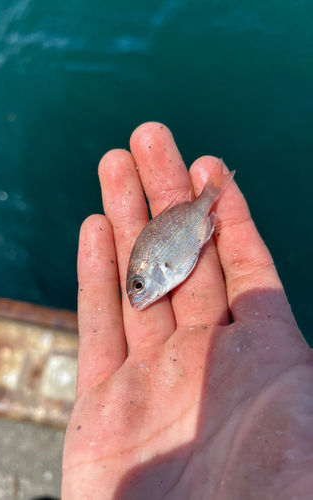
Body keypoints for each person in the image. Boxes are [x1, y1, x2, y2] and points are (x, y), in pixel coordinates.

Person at [62, 123, 313, 499]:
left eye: (138, 287)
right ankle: (214, 188)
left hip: (191, 224)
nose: (138, 296)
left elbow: (175, 263)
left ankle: (214, 188)